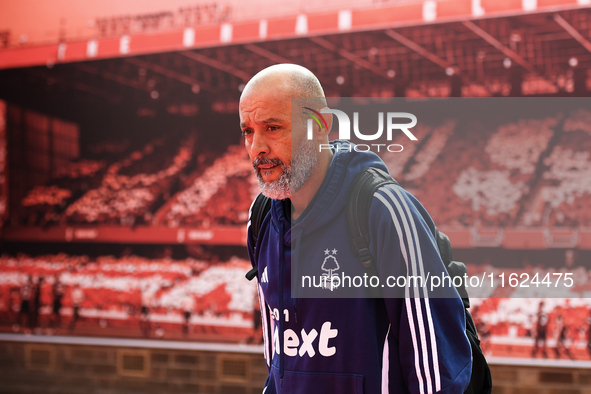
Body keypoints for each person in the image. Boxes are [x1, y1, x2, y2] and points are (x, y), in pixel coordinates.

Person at [241, 64, 472, 393]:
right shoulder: (260, 217)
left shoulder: (385, 212)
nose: (256, 148)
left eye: (272, 127)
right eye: (248, 131)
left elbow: (438, 379)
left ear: (320, 125)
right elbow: (277, 361)